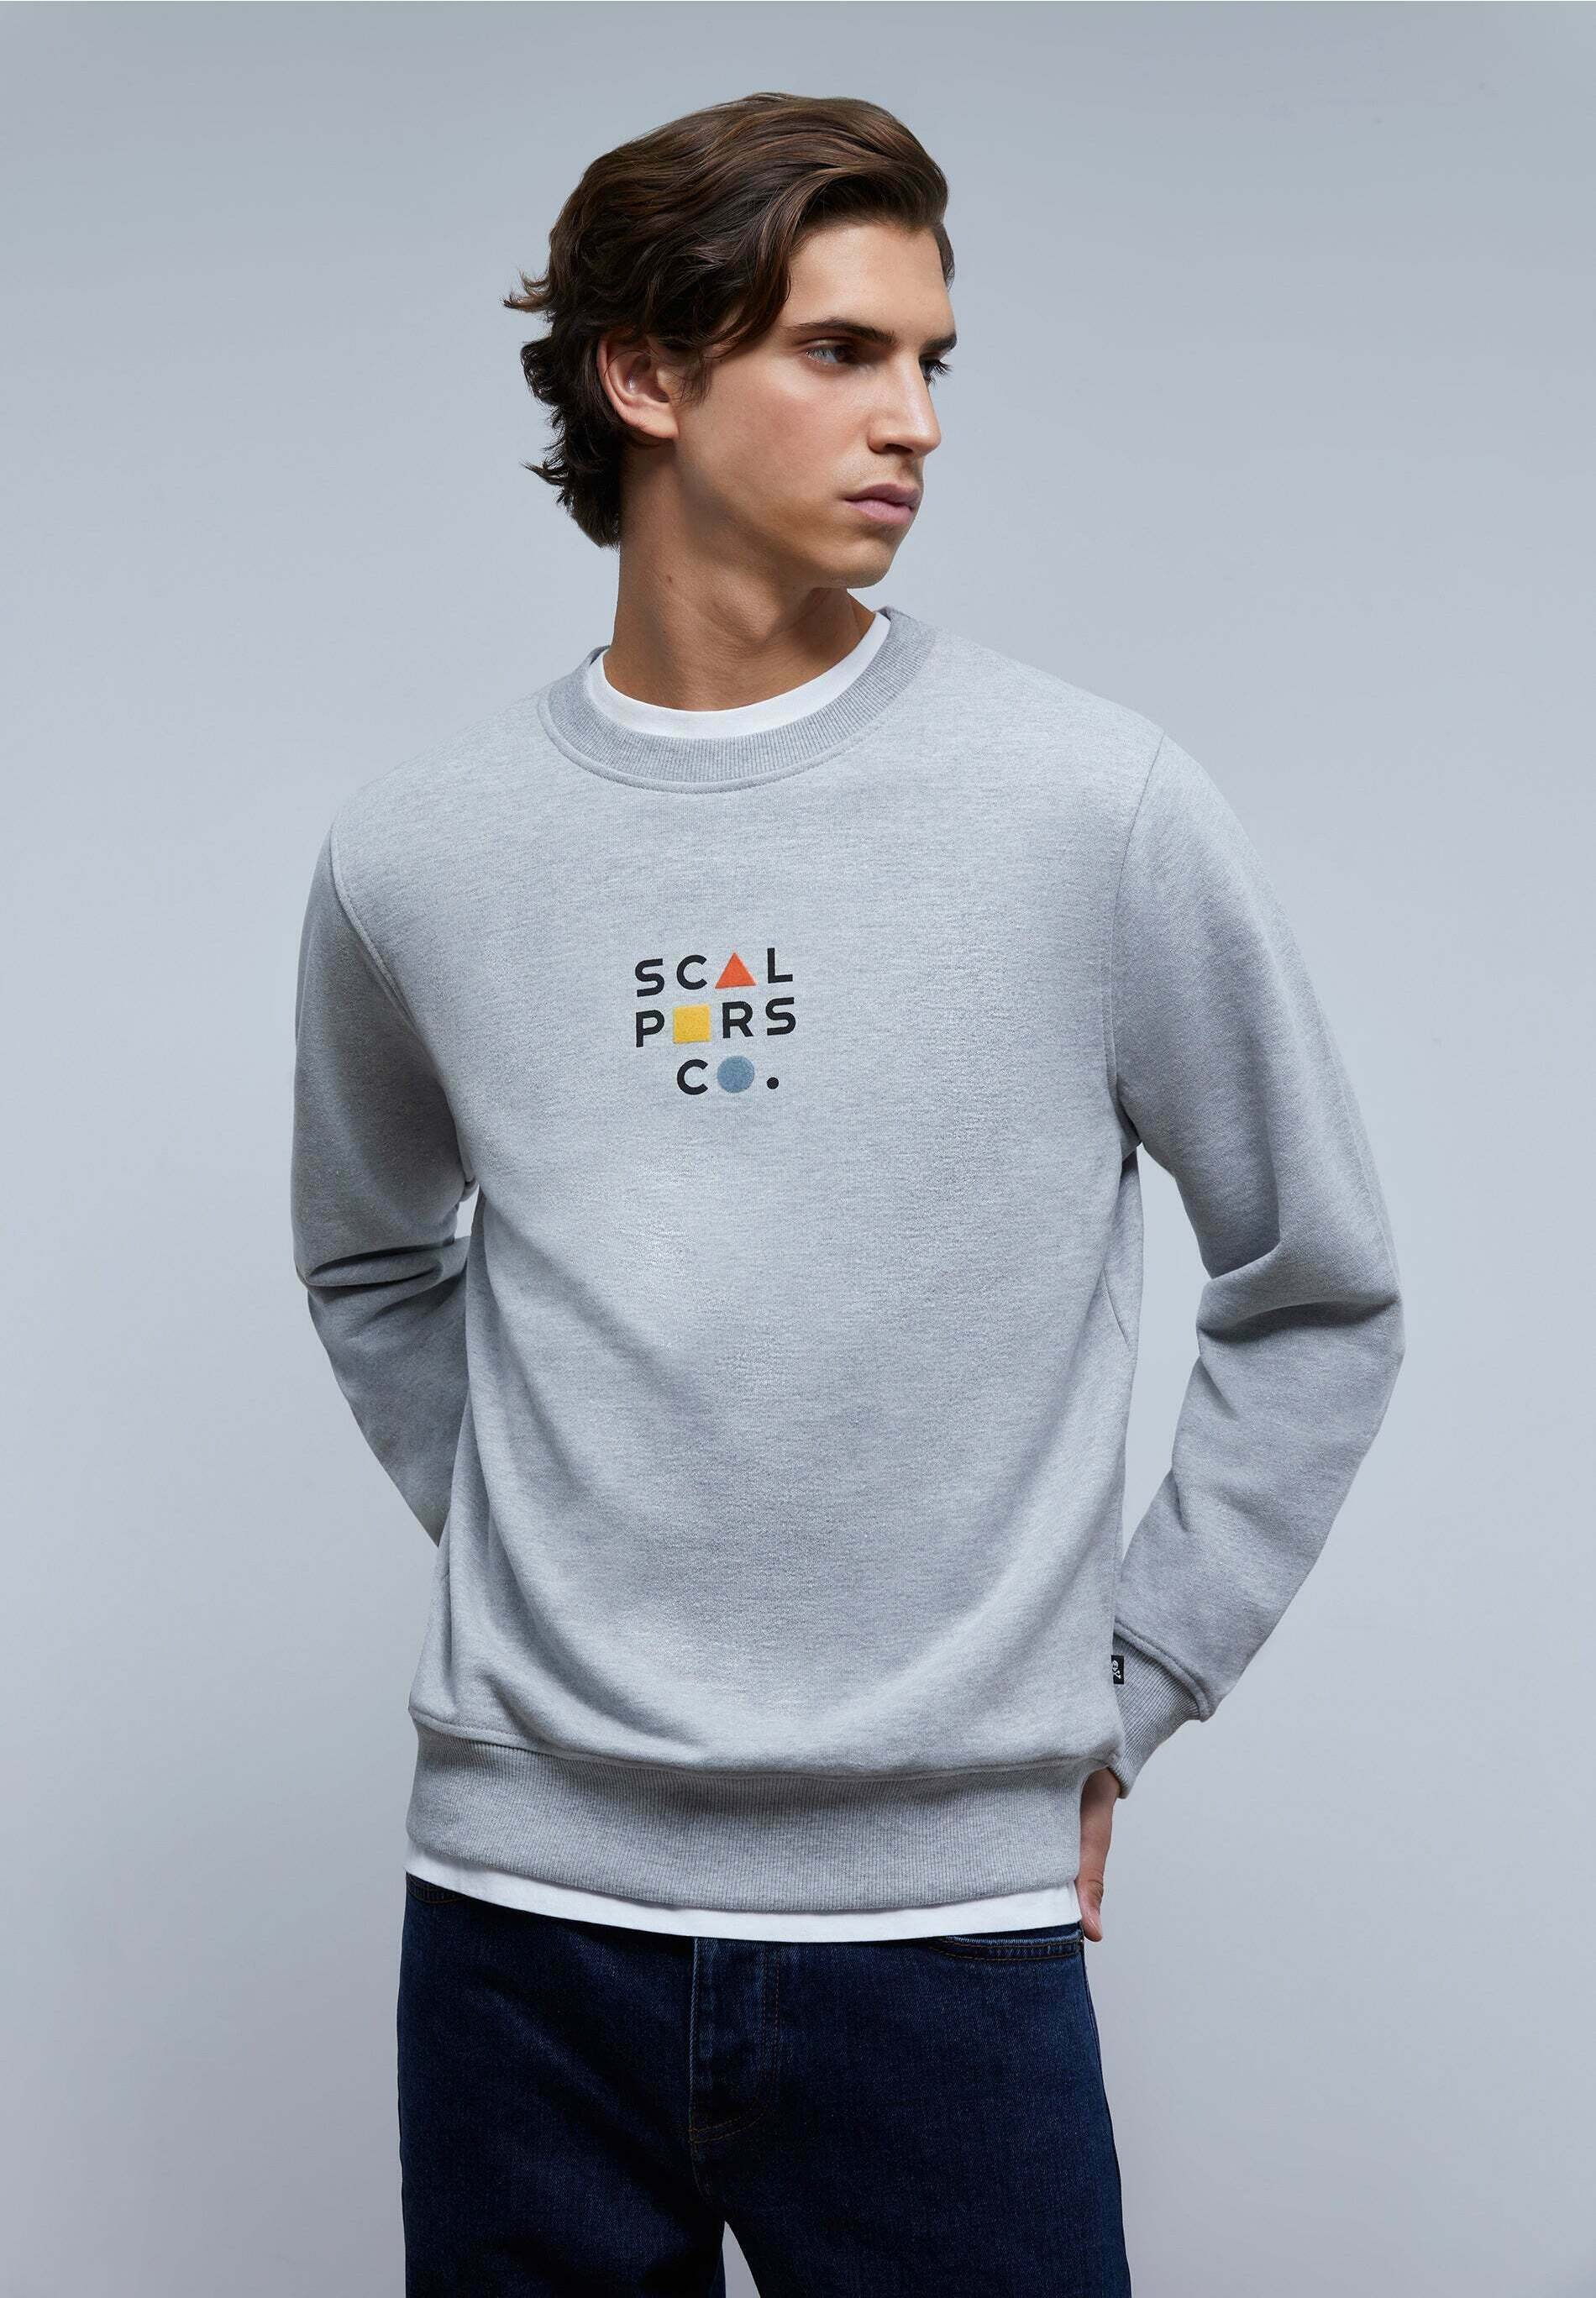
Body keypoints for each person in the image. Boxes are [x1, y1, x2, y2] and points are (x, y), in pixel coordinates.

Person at [290, 90, 1405, 2298]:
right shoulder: (417, 850)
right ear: (644, 375)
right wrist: (553, 1545)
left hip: (942, 1936)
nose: (915, 420)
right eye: (839, 351)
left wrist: (1139, 1673)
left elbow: (1318, 1289)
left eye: (929, 360)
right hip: (518, 1931)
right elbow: (368, 1254)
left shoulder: (1089, 806)